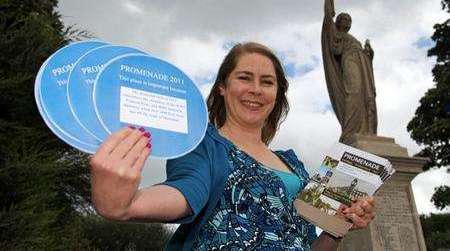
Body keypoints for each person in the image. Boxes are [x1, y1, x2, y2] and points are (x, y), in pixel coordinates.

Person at [90, 42, 375, 250]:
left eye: (267, 82)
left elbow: (305, 243)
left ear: (276, 94)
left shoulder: (294, 164)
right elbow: (186, 190)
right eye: (244, 77)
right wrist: (126, 205)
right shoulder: (205, 145)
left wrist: (337, 228)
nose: (255, 89)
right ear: (222, 87)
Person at [321, 0, 378, 144]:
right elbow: (327, 17)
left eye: (349, 19)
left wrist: (368, 53)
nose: (347, 20)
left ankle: (367, 131)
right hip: (350, 60)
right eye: (344, 18)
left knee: (367, 96)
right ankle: (350, 131)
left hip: (362, 62)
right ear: (338, 22)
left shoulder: (352, 38)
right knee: (354, 92)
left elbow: (367, 56)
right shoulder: (335, 33)